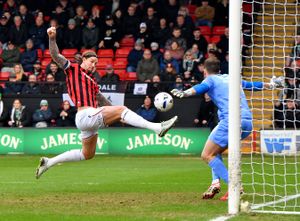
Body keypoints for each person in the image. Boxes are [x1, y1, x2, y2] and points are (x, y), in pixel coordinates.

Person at [36, 26, 178, 179]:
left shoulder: (92, 82)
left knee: (87, 154)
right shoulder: (72, 69)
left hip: (89, 118)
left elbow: (103, 100)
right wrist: (52, 38)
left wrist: (120, 116)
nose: (94, 66)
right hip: (84, 115)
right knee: (122, 109)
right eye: (92, 62)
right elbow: (55, 55)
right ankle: (157, 128)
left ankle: (49, 162)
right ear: (83, 59)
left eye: (96, 64)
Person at [171, 58, 284, 200]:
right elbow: (252, 85)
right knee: (215, 151)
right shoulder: (231, 78)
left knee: (206, 155)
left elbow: (199, 88)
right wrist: (272, 84)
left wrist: (185, 93)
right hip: (247, 122)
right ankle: (215, 183)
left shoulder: (210, 80)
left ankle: (234, 186)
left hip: (231, 121)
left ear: (205, 71)